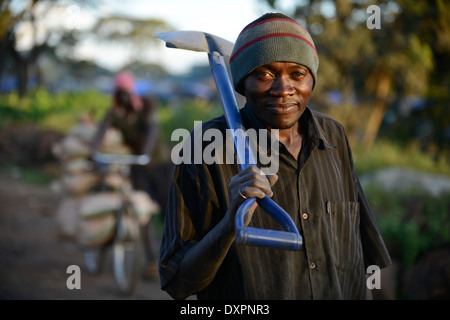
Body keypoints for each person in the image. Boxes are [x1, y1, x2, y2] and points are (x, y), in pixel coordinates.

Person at [159, 12, 391, 299]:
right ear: (242, 83)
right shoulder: (207, 147)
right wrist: (229, 224)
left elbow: (363, 247)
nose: (283, 90)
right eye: (264, 74)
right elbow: (179, 283)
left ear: (312, 80)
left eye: (297, 74)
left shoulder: (334, 137)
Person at [90, 71, 164, 279]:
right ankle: (151, 261)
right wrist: (93, 152)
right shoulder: (114, 113)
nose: (122, 97)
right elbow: (101, 131)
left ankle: (174, 259)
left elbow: (152, 129)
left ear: (131, 92)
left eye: (125, 93)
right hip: (137, 167)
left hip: (158, 165)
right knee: (143, 212)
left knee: (169, 211)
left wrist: (147, 154)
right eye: (119, 93)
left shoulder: (147, 105)